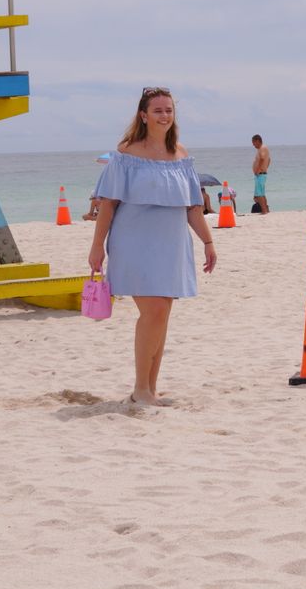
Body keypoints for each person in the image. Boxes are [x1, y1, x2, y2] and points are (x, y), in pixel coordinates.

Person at [88, 88, 217, 407]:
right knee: (154, 312)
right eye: (157, 110)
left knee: (163, 315)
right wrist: (97, 247)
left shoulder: (182, 155)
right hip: (134, 240)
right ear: (143, 115)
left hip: (172, 243)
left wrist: (208, 242)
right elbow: (108, 204)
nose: (164, 115)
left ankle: (150, 388)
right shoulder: (127, 153)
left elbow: (192, 208)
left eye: (169, 110)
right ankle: (140, 389)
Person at [251, 134, 271, 214]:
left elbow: (262, 158)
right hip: (262, 173)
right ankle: (266, 210)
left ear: (257, 141)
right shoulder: (263, 148)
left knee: (259, 195)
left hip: (260, 174)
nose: (253, 145)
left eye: (254, 143)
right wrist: (265, 168)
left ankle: (264, 211)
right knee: (262, 194)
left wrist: (259, 169)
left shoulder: (262, 148)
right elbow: (269, 159)